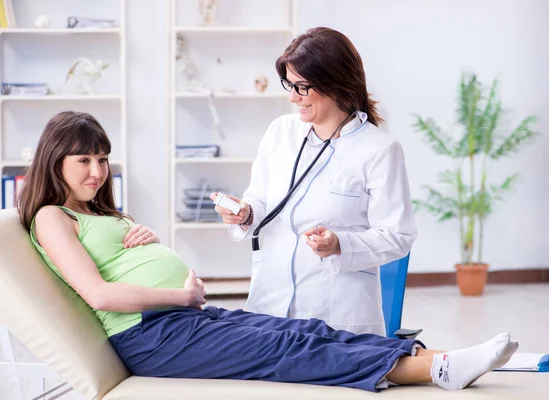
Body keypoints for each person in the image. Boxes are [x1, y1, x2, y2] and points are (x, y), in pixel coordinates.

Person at [18, 111, 518, 392]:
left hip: (180, 320)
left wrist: (143, 241)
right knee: (286, 351)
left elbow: (113, 262)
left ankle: (441, 358)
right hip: (153, 336)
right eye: (83, 160)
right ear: (54, 161)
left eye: (102, 159)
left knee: (303, 331)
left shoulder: (94, 212)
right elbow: (99, 294)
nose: (97, 171)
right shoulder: (49, 215)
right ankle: (438, 370)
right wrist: (180, 295)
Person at [211, 27, 417, 335]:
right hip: (271, 306)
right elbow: (261, 200)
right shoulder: (280, 132)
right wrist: (246, 213)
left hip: (338, 315)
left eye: (302, 87)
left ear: (335, 83)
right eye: (289, 85)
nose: (293, 97)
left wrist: (340, 245)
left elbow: (398, 235)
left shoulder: (379, 150)